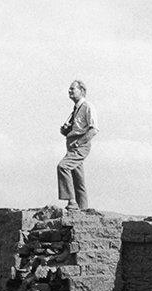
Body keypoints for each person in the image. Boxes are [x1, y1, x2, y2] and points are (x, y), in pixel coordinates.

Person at [57, 80, 98, 210]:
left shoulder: (87, 106)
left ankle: (72, 202)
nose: (69, 91)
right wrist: (66, 131)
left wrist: (79, 142)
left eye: (72, 89)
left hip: (79, 144)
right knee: (78, 179)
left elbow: (94, 129)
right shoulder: (76, 109)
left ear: (82, 91)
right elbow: (77, 128)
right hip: (72, 143)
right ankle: (83, 210)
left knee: (63, 166)